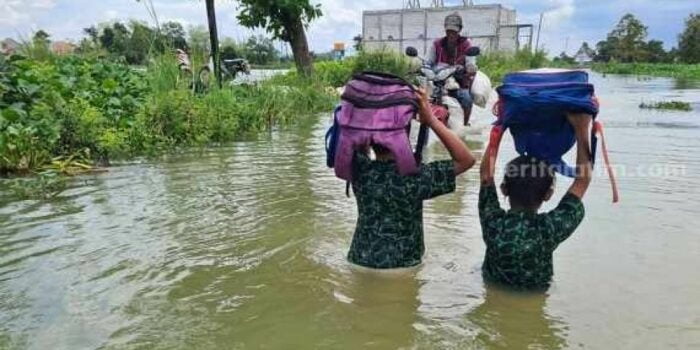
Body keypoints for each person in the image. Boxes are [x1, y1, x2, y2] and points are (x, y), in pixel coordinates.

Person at [347, 88, 476, 269]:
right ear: (404, 137)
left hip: (359, 260)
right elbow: (466, 160)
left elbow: (352, 140)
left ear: (369, 139)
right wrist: (431, 120)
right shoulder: (415, 177)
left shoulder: (359, 169)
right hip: (403, 265)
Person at [478, 112, 594, 289]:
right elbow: (582, 181)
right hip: (535, 298)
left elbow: (486, 176)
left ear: (504, 189)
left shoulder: (493, 223)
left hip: (491, 291)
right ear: (548, 194)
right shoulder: (549, 229)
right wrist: (582, 128)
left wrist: (500, 128)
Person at [426, 12, 477, 120]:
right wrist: (424, 67)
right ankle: (428, 124)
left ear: (459, 30)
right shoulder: (437, 44)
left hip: (459, 82)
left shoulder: (466, 44)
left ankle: (465, 123)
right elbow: (429, 61)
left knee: (467, 99)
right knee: (424, 100)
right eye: (448, 31)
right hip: (439, 81)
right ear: (445, 30)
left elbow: (470, 62)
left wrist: (469, 68)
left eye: (454, 31)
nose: (451, 34)